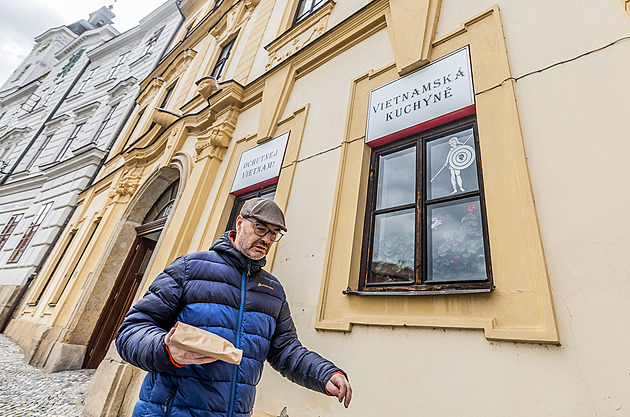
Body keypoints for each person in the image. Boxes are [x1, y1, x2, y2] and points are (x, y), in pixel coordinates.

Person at [116, 198, 352, 417]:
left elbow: (286, 350)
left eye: (274, 233)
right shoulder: (189, 268)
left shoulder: (273, 290)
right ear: (239, 224)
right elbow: (131, 331)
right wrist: (166, 351)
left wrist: (325, 374)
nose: (267, 240)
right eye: (260, 228)